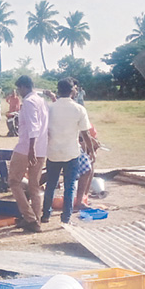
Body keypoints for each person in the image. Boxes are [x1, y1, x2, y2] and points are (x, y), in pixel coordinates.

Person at [41, 79, 94, 224]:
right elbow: (85, 133)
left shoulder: (50, 108)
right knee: (69, 186)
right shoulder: (79, 109)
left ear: (58, 90)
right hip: (71, 153)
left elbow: (45, 131)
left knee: (50, 185)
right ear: (72, 90)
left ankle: (46, 214)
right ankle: (66, 217)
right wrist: (91, 151)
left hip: (53, 152)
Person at [8, 75, 48, 233]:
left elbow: (34, 127)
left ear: (24, 87)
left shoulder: (29, 102)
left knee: (13, 181)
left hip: (27, 148)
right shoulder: (41, 101)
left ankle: (30, 218)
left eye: (19, 89)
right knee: (34, 185)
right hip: (41, 148)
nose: (19, 92)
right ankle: (35, 220)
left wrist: (31, 149)